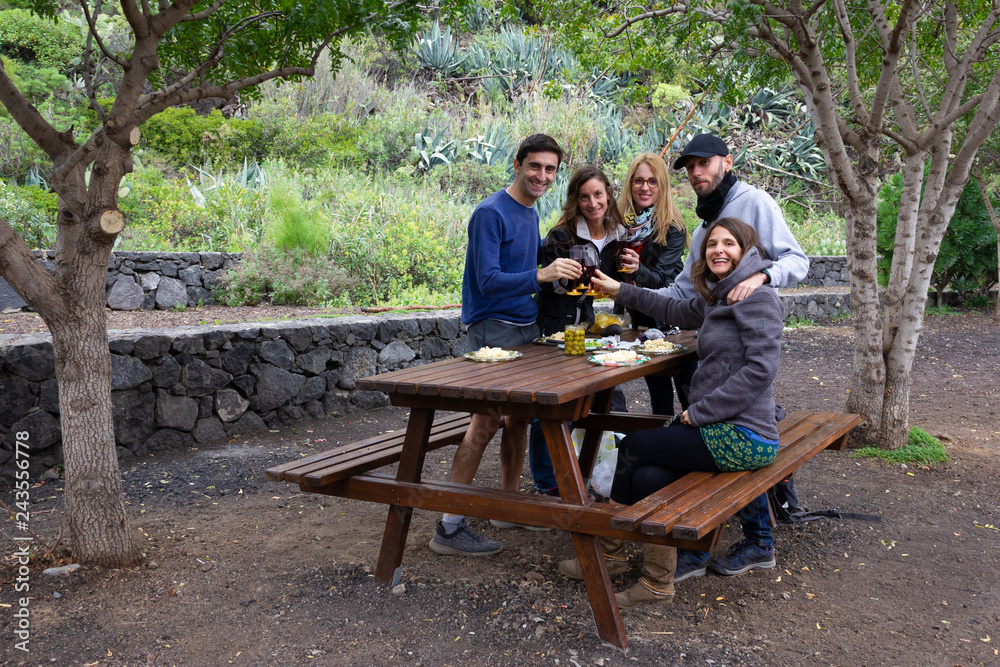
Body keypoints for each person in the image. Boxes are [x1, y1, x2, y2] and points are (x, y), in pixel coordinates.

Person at [563, 217, 784, 608]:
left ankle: (611, 552)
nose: (718, 250)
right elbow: (670, 306)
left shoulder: (755, 296)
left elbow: (760, 370)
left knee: (633, 446)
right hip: (722, 427)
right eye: (712, 243)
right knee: (649, 476)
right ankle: (656, 582)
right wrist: (619, 289)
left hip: (744, 435)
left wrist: (699, 412)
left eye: (729, 244)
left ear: (747, 250)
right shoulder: (721, 296)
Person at [655, 133, 809, 582]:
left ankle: (760, 534)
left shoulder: (754, 202)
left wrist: (762, 275)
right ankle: (753, 537)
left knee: (739, 432)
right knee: (724, 438)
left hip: (749, 347)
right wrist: (629, 293)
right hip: (717, 355)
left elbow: (797, 260)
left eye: (704, 163)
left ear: (728, 161)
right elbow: (684, 293)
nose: (696, 173)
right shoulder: (704, 226)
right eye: (689, 168)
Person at [428, 134, 583, 557]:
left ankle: (507, 506)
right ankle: (449, 526)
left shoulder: (529, 211)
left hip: (525, 327)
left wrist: (560, 272)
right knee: (485, 423)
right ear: (517, 165)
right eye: (535, 166)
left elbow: (528, 267)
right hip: (492, 330)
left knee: (519, 421)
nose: (542, 176)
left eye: (550, 169)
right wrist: (541, 274)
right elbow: (487, 281)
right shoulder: (490, 213)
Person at [527, 166, 627, 498]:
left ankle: (598, 474)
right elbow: (551, 285)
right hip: (556, 325)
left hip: (591, 327)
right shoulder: (561, 236)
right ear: (575, 200)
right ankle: (547, 482)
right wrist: (565, 281)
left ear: (608, 194)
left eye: (598, 194)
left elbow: (624, 284)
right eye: (584, 196)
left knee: (602, 397)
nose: (592, 202)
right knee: (553, 404)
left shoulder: (619, 234)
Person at [615, 153, 689, 416]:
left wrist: (638, 270)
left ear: (662, 186)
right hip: (641, 319)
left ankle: (694, 451)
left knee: (688, 392)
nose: (645, 188)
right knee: (659, 397)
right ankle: (663, 446)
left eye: (652, 181)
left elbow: (662, 279)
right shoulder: (619, 224)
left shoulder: (674, 227)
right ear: (630, 184)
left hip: (675, 318)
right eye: (638, 181)